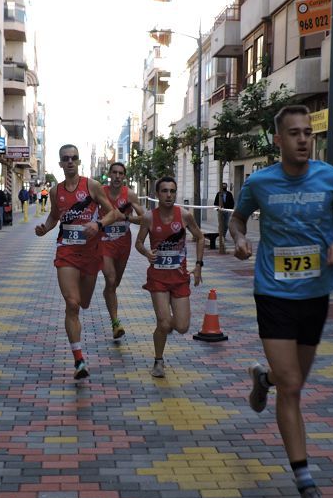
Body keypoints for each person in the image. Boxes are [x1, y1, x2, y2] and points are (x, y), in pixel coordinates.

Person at [228, 105, 333, 498]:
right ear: (278, 140)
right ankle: (307, 485)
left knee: (293, 381)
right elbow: (236, 219)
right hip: (272, 292)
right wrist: (239, 241)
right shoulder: (259, 182)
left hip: (315, 294)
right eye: (294, 133)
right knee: (293, 387)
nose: (303, 139)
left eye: (308, 132)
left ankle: (263, 379)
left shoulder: (332, 178)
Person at [35, 145, 118, 381]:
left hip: (91, 252)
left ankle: (79, 349)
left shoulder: (91, 185)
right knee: (72, 303)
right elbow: (54, 215)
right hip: (67, 251)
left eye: (73, 158)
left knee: (84, 302)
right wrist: (45, 228)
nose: (70, 162)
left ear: (78, 161)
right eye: (65, 159)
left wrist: (98, 225)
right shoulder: (55, 191)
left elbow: (112, 213)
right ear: (60, 164)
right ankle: (79, 359)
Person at [135, 176, 205, 378]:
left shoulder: (184, 215)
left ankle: (165, 325)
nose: (169, 195)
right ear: (158, 194)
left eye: (172, 191)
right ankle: (158, 360)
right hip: (157, 277)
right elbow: (138, 243)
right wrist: (147, 252)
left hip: (179, 277)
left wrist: (198, 265)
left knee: (182, 327)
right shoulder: (149, 217)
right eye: (164, 191)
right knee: (164, 323)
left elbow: (200, 237)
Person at [101, 161, 145, 340]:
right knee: (110, 279)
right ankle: (115, 323)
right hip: (103, 241)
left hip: (123, 243)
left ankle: (108, 293)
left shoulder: (130, 195)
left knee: (114, 284)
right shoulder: (100, 192)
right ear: (109, 174)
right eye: (114, 173)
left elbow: (144, 219)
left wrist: (126, 215)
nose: (117, 176)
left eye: (121, 173)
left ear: (124, 177)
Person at [215, 182, 235, 250]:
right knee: (221, 224)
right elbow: (215, 202)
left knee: (226, 224)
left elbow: (232, 202)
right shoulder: (218, 194)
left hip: (227, 211)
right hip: (220, 211)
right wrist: (218, 208)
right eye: (223, 186)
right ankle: (221, 236)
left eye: (225, 186)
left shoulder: (229, 194)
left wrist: (230, 210)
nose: (224, 187)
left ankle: (223, 235)